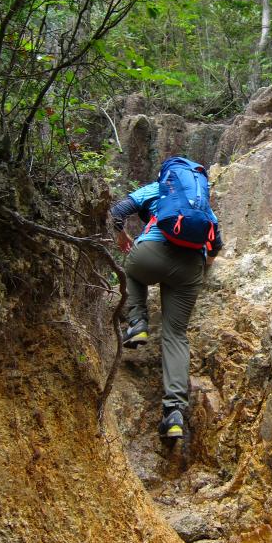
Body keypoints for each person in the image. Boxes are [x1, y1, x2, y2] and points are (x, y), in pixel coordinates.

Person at [110, 161, 223, 439]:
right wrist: (200, 269)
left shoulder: (158, 188)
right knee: (176, 335)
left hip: (151, 253)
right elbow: (215, 245)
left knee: (132, 267)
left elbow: (118, 211)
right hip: (189, 269)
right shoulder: (201, 204)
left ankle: (137, 322)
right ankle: (174, 414)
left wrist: (121, 234)